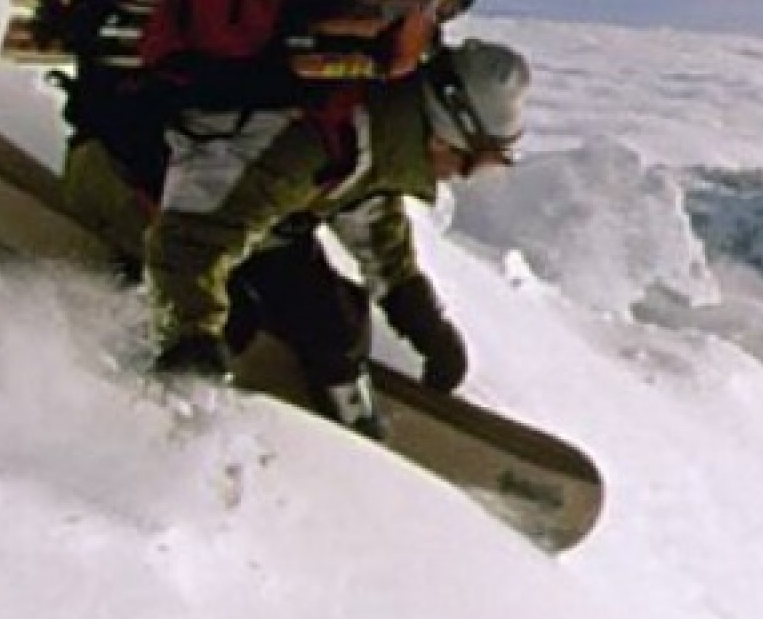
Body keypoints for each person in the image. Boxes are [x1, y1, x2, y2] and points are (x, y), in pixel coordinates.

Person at [57, 35, 529, 430]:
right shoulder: (311, 140)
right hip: (121, 181)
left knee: (337, 325)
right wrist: (192, 342)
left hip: (230, 214)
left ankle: (342, 422)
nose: (465, 176)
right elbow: (192, 238)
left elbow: (369, 215)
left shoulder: (375, 132)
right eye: (477, 161)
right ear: (448, 133)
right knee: (231, 317)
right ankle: (126, 397)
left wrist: (423, 321)